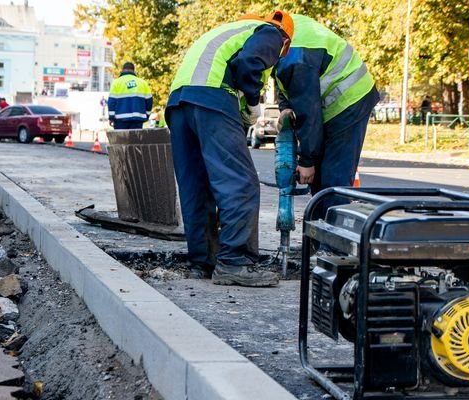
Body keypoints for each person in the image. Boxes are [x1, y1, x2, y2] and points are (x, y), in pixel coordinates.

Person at [166, 11, 294, 287]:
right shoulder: (271, 32)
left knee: (196, 186)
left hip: (177, 103)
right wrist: (251, 102)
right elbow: (250, 64)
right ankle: (236, 262)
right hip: (212, 97)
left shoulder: (225, 31)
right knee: (240, 183)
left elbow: (231, 64)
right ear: (285, 41)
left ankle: (202, 263)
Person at [274, 14, 379, 215]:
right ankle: (317, 238)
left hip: (350, 99)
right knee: (320, 176)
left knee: (334, 176)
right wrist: (284, 106)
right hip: (331, 102)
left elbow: (309, 112)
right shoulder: (284, 29)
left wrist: (306, 161)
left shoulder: (296, 58)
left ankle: (332, 244)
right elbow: (284, 81)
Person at [108, 62, 153, 130]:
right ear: (133, 70)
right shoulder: (143, 83)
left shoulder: (116, 83)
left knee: (122, 140)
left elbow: (111, 102)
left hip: (120, 119)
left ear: (122, 70)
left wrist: (111, 117)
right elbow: (149, 101)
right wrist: (146, 115)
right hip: (137, 119)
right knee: (134, 140)